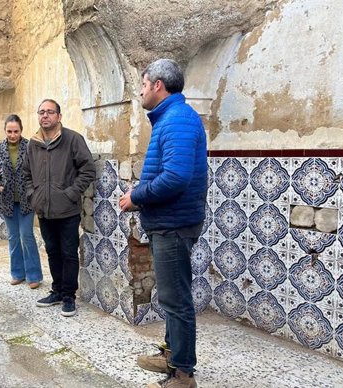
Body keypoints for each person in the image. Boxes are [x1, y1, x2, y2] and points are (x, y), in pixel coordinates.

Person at [119, 59, 207, 388]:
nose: (140, 91)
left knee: (175, 299)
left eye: (143, 84)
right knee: (172, 296)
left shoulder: (178, 119)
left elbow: (176, 177)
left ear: (158, 85)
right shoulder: (172, 118)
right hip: (167, 223)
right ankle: (172, 354)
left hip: (173, 224)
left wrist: (138, 196)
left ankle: (183, 374)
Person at [23, 99, 95, 317]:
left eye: (50, 112)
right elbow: (26, 173)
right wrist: (32, 194)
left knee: (68, 253)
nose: (45, 116)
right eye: (41, 112)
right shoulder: (33, 143)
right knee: (52, 251)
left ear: (59, 116)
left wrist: (71, 193)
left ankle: (69, 296)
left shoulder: (72, 139)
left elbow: (88, 169)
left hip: (67, 211)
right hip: (44, 210)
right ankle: (56, 290)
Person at [0, 114, 43, 289]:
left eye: (16, 131)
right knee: (13, 237)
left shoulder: (30, 146)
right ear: (5, 131)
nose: (12, 135)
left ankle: (34, 275)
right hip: (7, 200)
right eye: (9, 131)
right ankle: (17, 273)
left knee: (27, 235)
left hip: (26, 200)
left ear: (21, 131)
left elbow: (36, 171)